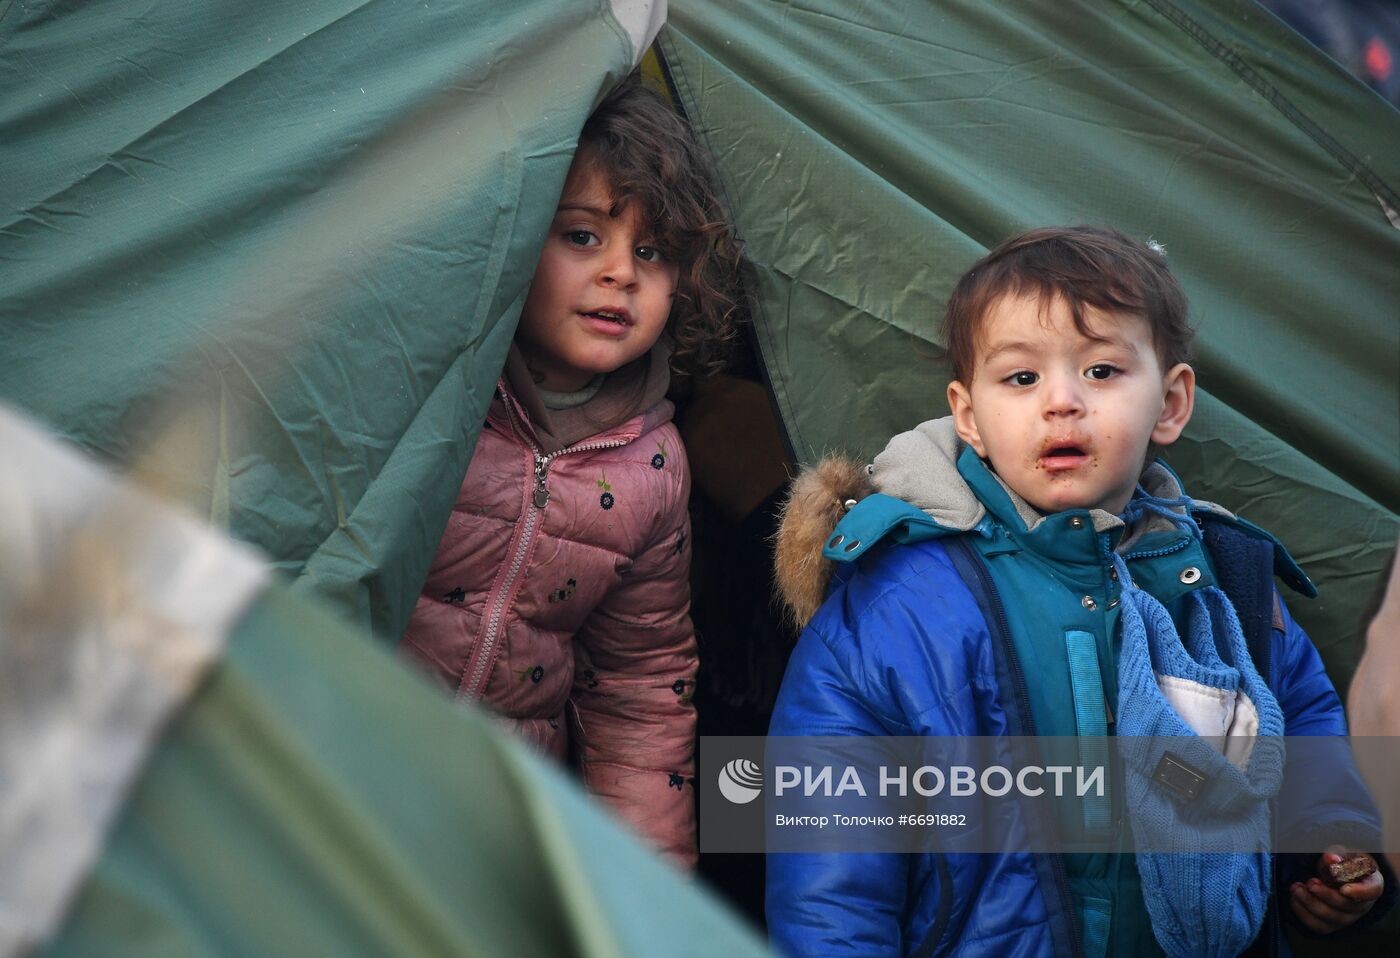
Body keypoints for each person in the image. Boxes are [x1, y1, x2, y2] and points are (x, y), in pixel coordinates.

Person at [766, 226, 1392, 954]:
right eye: (1022, 378)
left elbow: (1302, 720)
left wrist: (1333, 847)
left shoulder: (1222, 580)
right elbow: (830, 857)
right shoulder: (900, 601)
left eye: (1100, 371)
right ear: (969, 417)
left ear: (1170, 403)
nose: (1061, 402)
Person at [403, 76, 741, 868]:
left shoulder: (654, 466)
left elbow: (641, 686)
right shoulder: (434, 391)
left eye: (651, 252)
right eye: (583, 236)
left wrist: (643, 890)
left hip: (493, 819)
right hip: (339, 768)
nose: (620, 272)